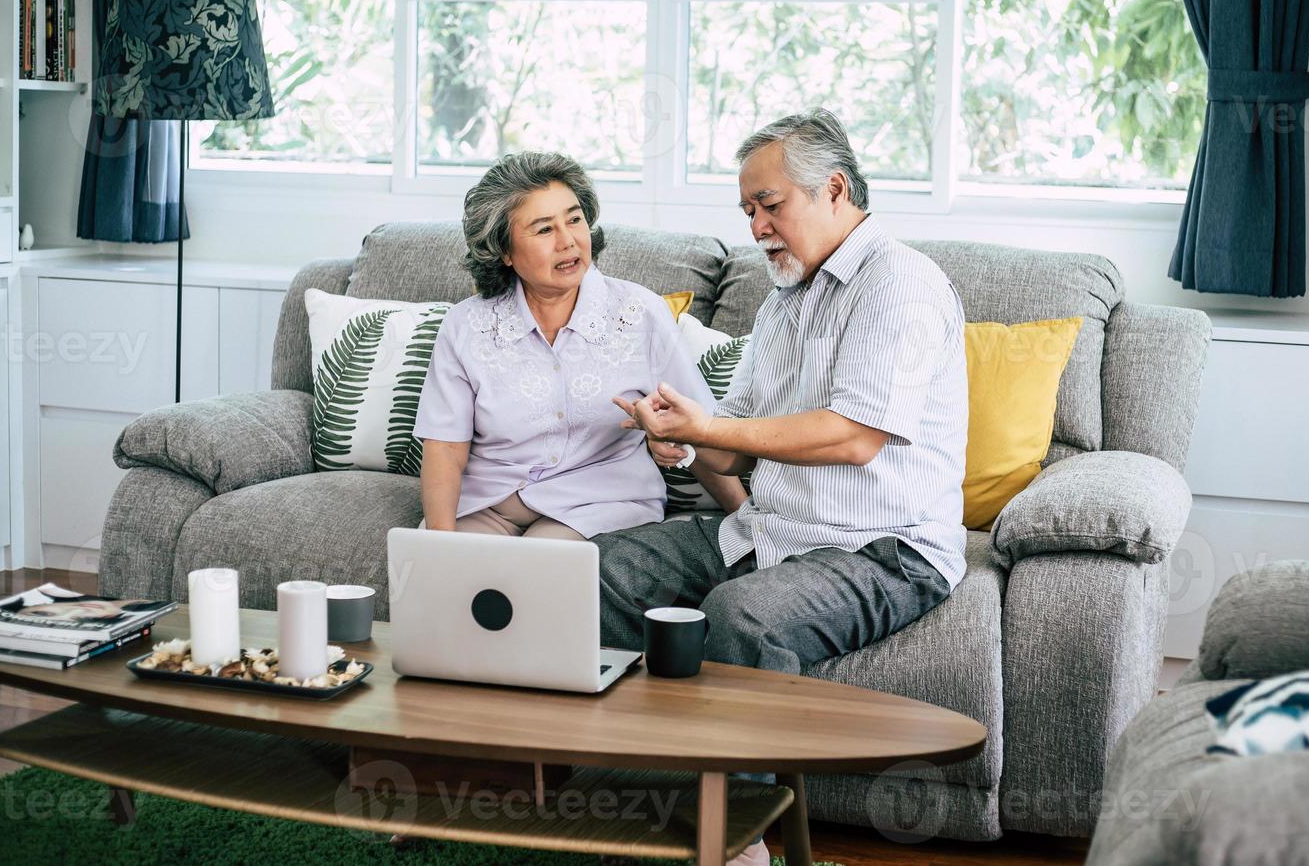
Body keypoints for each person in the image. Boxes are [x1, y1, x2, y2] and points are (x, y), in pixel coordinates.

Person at [603, 109, 968, 866]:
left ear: (833, 188)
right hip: (774, 530)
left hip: (885, 550)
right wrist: (676, 437)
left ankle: (733, 848)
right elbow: (733, 449)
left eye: (770, 205)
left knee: (741, 616)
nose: (758, 227)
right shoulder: (783, 301)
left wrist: (710, 432)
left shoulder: (898, 284)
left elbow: (852, 436)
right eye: (747, 212)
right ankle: (606, 807)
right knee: (594, 574)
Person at [414, 151, 746, 540]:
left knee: (542, 563)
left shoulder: (640, 314)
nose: (568, 241)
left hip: (600, 503)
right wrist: (439, 544)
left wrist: (745, 521)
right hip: (491, 502)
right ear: (504, 250)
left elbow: (700, 429)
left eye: (574, 219)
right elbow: (445, 448)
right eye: (544, 230)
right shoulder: (466, 325)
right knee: (444, 576)